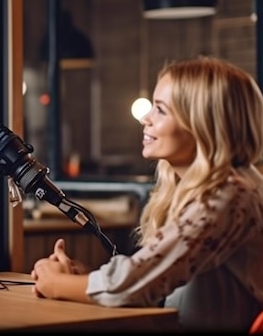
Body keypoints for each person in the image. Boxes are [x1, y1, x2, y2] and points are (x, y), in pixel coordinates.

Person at [30, 56, 263, 331]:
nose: (146, 118)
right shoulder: (217, 189)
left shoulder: (229, 196)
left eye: (161, 110)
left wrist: (57, 283)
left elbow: (138, 286)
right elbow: (158, 284)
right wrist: (84, 280)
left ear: (203, 125)